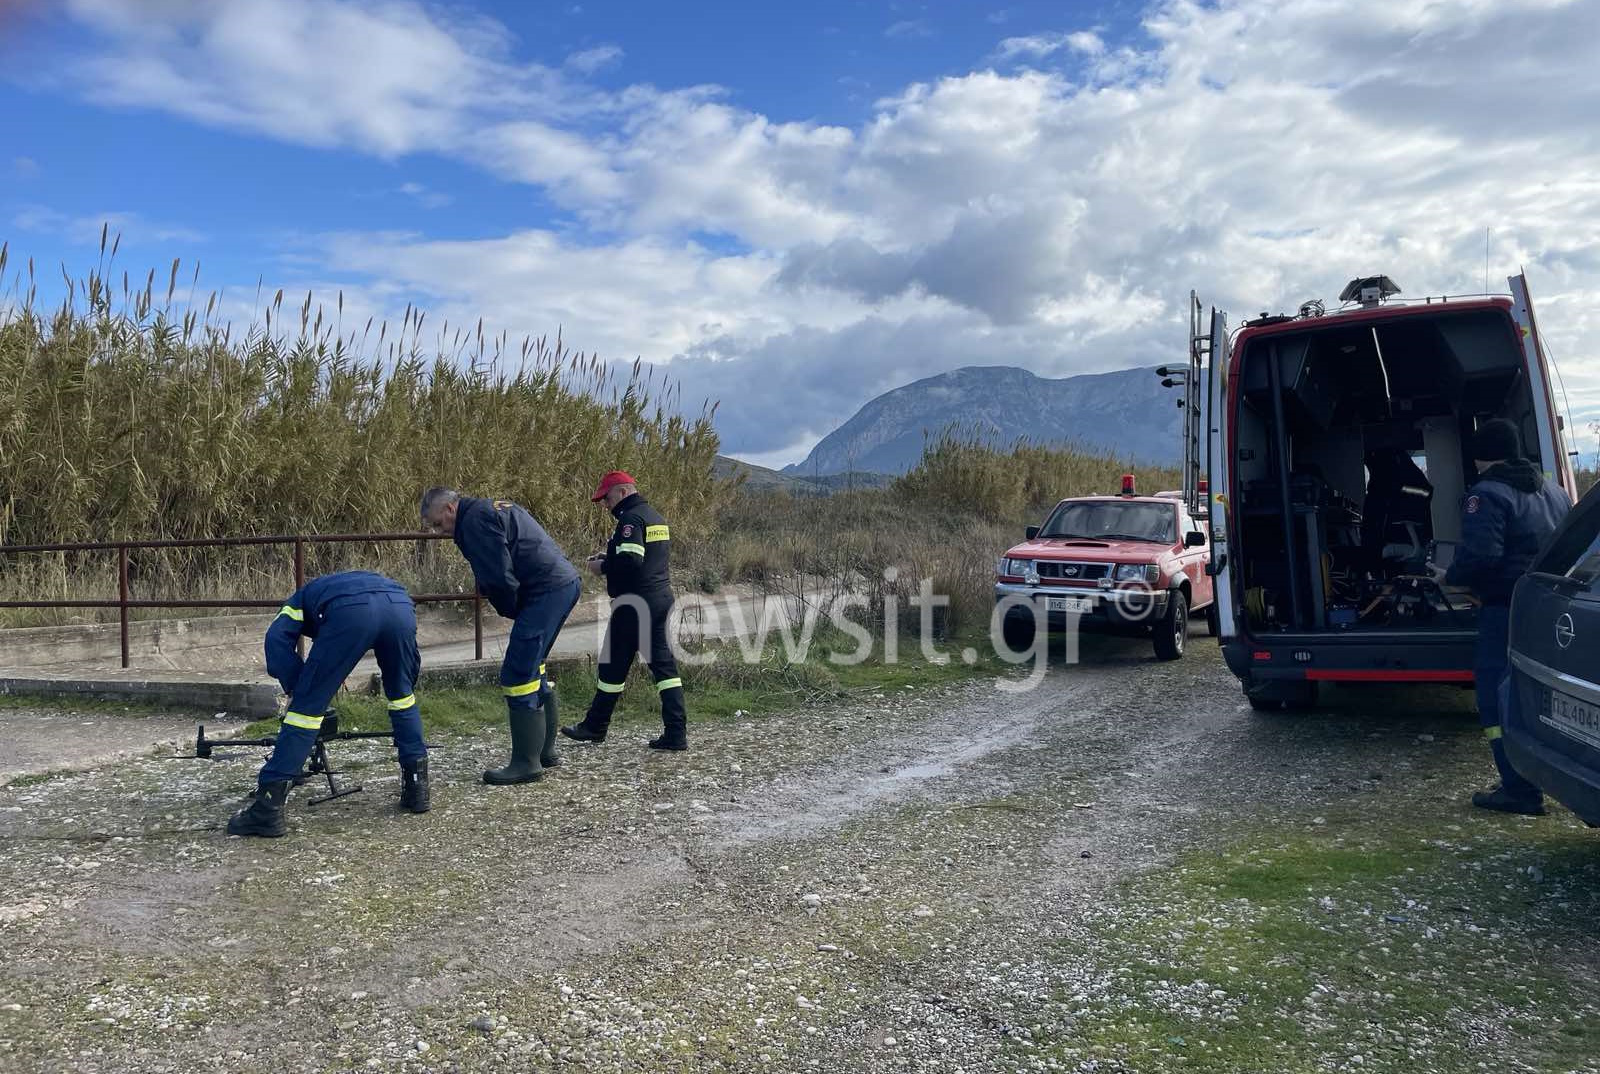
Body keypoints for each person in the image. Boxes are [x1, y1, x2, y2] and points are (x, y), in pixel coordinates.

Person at [227, 570, 427, 838]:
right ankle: (418, 789)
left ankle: (268, 807)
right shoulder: (341, 586)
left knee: (305, 713)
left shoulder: (297, 602)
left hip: (350, 612)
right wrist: (404, 678)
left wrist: (298, 687)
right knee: (402, 697)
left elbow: (276, 640)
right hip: (400, 606)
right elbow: (409, 665)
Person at [1443, 419, 1570, 815]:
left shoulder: (1486, 494)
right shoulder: (1555, 492)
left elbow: (1482, 556)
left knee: (1494, 699)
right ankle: (1547, 777)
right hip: (1549, 610)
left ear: (1482, 455)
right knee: (1537, 693)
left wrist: (1449, 576)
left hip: (1504, 612)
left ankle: (1518, 789)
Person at [420, 487, 581, 784]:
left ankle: (526, 763)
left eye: (438, 524)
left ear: (450, 509)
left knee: (518, 673)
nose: (439, 532)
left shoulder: (474, 522)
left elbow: (498, 574)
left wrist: (511, 609)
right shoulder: (490, 508)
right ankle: (546, 750)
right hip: (561, 583)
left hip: (544, 591)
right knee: (535, 665)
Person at [560, 471, 686, 751]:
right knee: (662, 668)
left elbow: (631, 560)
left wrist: (601, 567)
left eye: (607, 497)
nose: (606, 504)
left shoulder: (630, 519)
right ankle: (676, 733)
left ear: (622, 492)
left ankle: (595, 727)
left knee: (612, 665)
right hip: (658, 598)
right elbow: (645, 557)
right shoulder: (654, 516)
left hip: (635, 603)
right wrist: (611, 556)